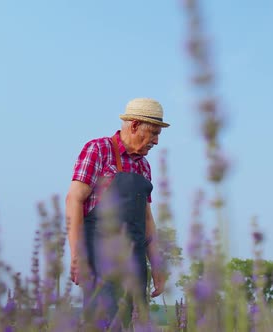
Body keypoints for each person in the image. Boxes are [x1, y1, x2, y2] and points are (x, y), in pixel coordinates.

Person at [65, 97, 168, 329]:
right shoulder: (98, 150)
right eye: (153, 133)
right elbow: (73, 200)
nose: (156, 141)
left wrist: (157, 265)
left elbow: (147, 220)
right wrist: (77, 254)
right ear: (134, 126)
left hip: (135, 264)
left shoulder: (144, 166)